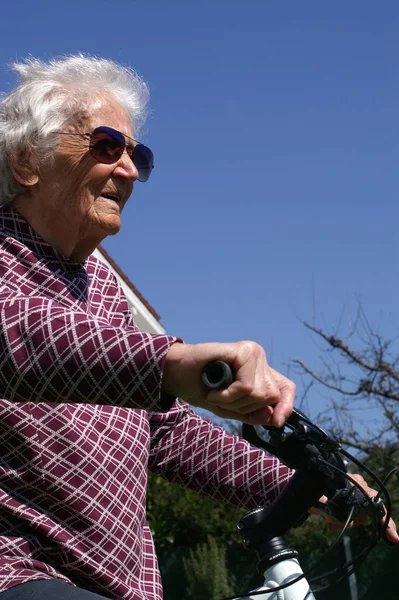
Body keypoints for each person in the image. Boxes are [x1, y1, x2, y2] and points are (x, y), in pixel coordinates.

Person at [0, 55, 395, 600]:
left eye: (137, 155)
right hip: (18, 573)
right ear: (26, 160)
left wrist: (312, 487)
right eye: (107, 146)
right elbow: (18, 338)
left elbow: (166, 430)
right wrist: (174, 364)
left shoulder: (103, 287)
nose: (130, 170)